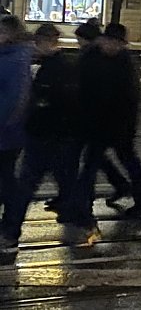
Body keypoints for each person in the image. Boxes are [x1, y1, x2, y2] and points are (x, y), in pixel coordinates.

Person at [69, 23, 141, 245]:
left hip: (117, 125)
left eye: (118, 43)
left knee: (122, 161)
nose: (113, 46)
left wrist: (126, 128)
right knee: (91, 167)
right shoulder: (92, 59)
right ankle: (84, 213)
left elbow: (130, 99)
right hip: (95, 125)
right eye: (111, 42)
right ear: (103, 40)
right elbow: (80, 89)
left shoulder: (124, 64)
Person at [0, 24, 77, 253]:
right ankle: (81, 219)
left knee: (23, 185)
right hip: (41, 135)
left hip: (47, 136)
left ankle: (11, 232)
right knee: (60, 181)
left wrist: (32, 115)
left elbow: (23, 98)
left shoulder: (57, 67)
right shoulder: (42, 65)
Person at [73, 21, 130, 206]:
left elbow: (122, 96)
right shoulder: (95, 57)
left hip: (100, 122)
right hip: (95, 121)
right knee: (95, 161)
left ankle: (81, 204)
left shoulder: (111, 60)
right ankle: (121, 186)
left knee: (90, 163)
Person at [0, 17, 33, 224]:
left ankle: (11, 220)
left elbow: (15, 98)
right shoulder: (8, 56)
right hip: (8, 129)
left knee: (6, 176)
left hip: (7, 130)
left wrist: (7, 122)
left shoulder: (15, 58)